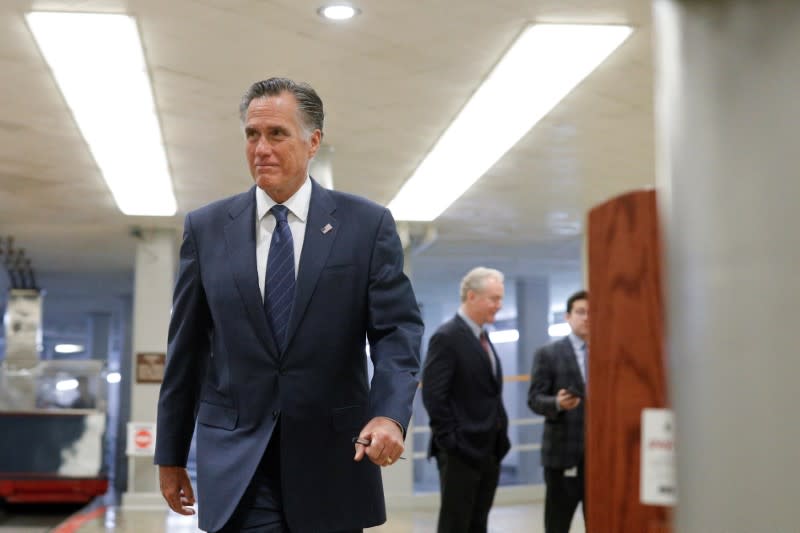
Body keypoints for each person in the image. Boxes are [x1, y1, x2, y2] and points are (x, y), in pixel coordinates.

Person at [154, 77, 424, 533]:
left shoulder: (365, 225)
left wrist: (390, 413)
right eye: (252, 135)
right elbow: (187, 350)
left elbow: (396, 334)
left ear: (312, 141)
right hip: (238, 461)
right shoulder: (207, 228)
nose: (261, 148)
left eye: (276, 134)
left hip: (332, 458)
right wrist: (171, 454)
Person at [421, 267, 511, 533]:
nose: (499, 305)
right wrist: (451, 441)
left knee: (477, 523)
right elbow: (434, 396)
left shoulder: (481, 336)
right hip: (461, 451)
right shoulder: (447, 337)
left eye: (500, 298)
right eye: (494, 298)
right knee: (456, 524)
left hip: (488, 449)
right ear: (471, 296)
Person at [528, 290, 589, 533]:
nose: (587, 318)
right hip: (562, 455)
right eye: (581, 312)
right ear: (568, 316)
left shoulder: (608, 352)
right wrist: (556, 403)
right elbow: (534, 399)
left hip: (600, 457)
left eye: (592, 312)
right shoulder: (549, 354)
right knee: (557, 524)